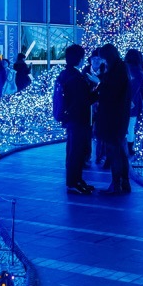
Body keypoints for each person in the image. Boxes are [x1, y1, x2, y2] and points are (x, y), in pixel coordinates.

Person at [52, 44, 96, 195]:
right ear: (80, 58)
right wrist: (99, 88)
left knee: (74, 150)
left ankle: (77, 180)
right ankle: (73, 182)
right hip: (78, 119)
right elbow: (84, 100)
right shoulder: (76, 77)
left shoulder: (66, 74)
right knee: (76, 152)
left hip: (71, 118)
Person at [94, 44, 132, 194]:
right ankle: (124, 183)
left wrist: (99, 83)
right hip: (119, 116)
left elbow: (111, 91)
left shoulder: (117, 69)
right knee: (120, 150)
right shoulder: (121, 67)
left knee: (115, 150)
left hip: (113, 117)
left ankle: (116, 184)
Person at [124, 49, 143, 162]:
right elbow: (140, 86)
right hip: (133, 103)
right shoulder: (137, 70)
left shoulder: (123, 68)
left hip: (123, 101)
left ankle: (125, 147)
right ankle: (129, 148)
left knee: (126, 126)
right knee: (131, 126)